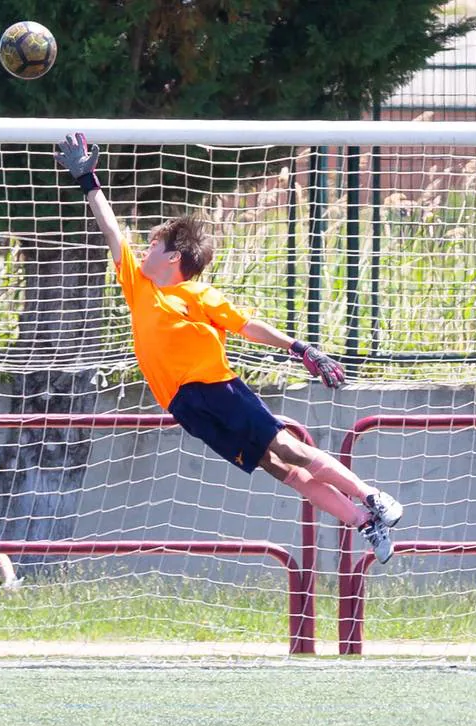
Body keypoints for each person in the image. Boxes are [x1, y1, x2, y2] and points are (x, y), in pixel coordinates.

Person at [54, 133, 408, 561]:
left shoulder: (199, 296)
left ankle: (371, 496)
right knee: (278, 470)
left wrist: (299, 348)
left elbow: (248, 326)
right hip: (183, 407)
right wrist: (87, 179)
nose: (145, 246)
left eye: (155, 244)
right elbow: (111, 230)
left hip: (218, 391)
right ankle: (364, 523)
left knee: (289, 448)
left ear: (172, 258)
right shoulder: (138, 285)